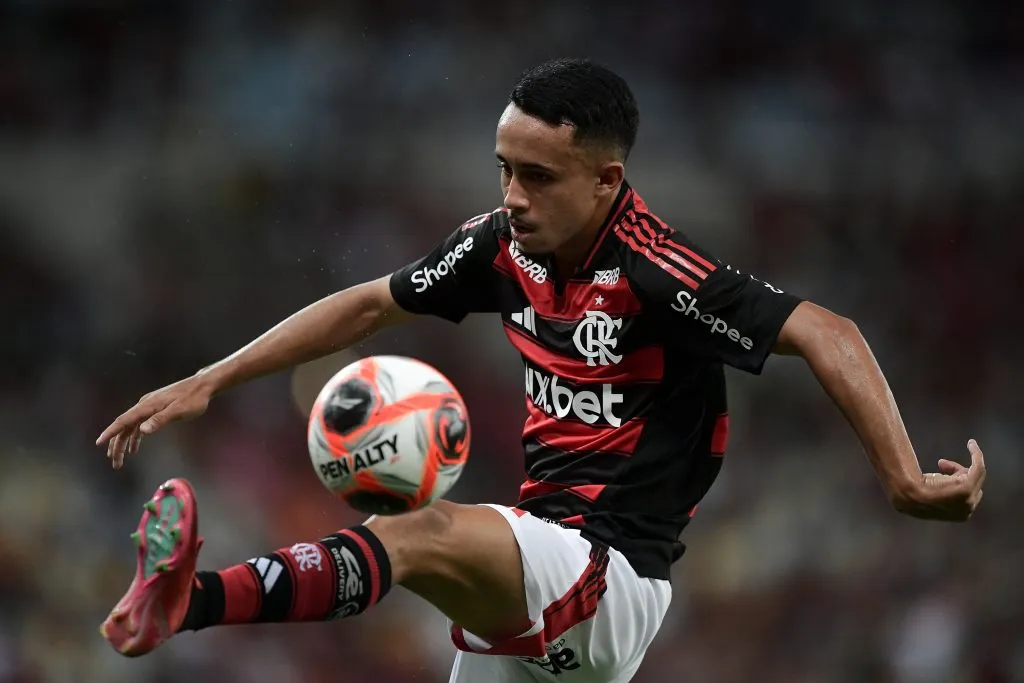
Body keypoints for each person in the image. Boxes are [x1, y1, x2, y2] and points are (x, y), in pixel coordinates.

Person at [96, 58, 986, 683]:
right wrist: (208, 379)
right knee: (423, 538)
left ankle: (191, 602)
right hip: (545, 570)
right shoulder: (501, 246)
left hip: (612, 574)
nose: (512, 195)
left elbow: (829, 330)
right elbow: (370, 304)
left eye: (537, 176)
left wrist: (902, 478)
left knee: (415, 532)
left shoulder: (657, 272)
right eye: (504, 170)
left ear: (606, 179)